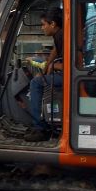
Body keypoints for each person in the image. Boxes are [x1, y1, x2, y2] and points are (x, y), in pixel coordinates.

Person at [25, 8, 64, 142]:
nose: (42, 28)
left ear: (52, 24)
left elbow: (70, 66)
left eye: (43, 24)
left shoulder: (62, 36)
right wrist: (47, 69)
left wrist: (52, 66)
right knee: (39, 80)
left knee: (35, 84)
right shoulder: (59, 35)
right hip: (64, 74)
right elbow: (55, 51)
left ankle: (41, 128)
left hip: (69, 77)